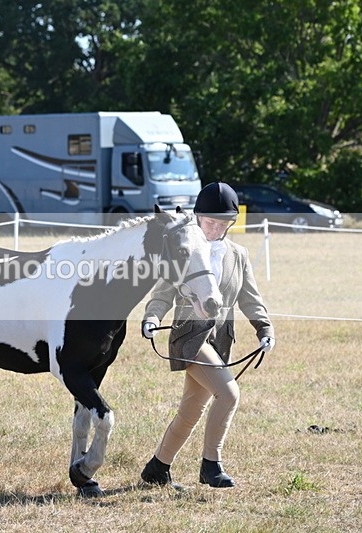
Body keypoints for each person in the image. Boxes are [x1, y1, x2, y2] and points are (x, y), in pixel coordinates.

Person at [140, 181, 275, 488]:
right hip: (189, 338)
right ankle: (211, 465)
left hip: (220, 340)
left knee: (190, 411)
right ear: (197, 218)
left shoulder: (238, 255)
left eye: (222, 224)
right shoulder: (185, 249)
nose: (214, 229)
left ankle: (157, 467)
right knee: (228, 394)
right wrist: (151, 317)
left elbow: (250, 299)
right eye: (209, 222)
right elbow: (162, 293)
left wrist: (264, 328)